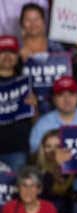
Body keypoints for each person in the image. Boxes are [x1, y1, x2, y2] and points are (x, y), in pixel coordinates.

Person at [0, 34, 34, 172]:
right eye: (2, 52)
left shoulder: (26, 81)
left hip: (17, 149)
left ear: (17, 56)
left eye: (12, 52)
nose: (7, 56)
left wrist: (34, 107)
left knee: (17, 191)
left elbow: (34, 121)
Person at [29, 76, 77, 153]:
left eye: (71, 94)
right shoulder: (43, 124)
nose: (67, 99)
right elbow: (35, 152)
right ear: (54, 99)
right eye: (61, 95)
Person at [36, 129, 74, 213]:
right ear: (42, 149)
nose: (53, 151)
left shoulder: (75, 170)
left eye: (57, 146)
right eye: (48, 146)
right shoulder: (38, 173)